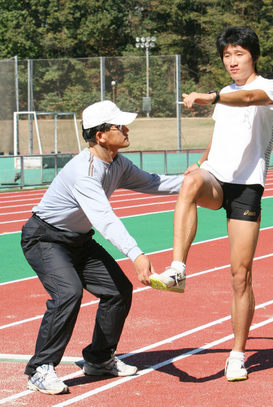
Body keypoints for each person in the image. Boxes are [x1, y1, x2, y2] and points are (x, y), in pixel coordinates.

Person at [21, 100, 183, 395]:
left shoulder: (117, 163)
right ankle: (39, 369)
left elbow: (154, 183)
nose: (126, 129)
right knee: (68, 293)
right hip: (45, 238)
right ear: (100, 135)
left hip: (78, 241)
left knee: (118, 290)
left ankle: (98, 359)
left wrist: (196, 182)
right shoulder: (85, 171)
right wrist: (136, 253)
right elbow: (104, 219)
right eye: (119, 125)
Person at [149, 26, 273, 381]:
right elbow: (220, 135)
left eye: (238, 54)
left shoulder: (270, 88)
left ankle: (237, 354)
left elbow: (248, 99)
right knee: (191, 181)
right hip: (215, 177)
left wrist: (212, 96)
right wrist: (200, 161)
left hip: (246, 187)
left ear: (252, 55)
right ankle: (178, 269)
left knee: (241, 276)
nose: (232, 61)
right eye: (226, 55)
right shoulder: (224, 93)